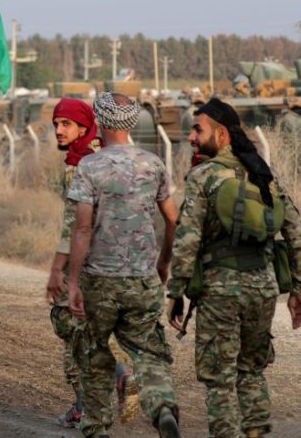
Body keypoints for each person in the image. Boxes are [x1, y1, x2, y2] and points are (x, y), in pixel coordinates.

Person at [167, 98, 301, 438]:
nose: (192, 137)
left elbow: (187, 240)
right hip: (263, 289)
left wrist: (176, 293)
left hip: (219, 292)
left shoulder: (203, 177)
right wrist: (298, 289)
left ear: (222, 134)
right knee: (252, 371)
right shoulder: (262, 175)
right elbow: (296, 233)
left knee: (219, 379)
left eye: (199, 130)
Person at [66, 92, 181, 438]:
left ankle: (97, 428)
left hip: (99, 280)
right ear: (132, 122)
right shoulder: (153, 163)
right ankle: (161, 407)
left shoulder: (90, 166)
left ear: (100, 122)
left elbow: (82, 227)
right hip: (143, 278)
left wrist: (73, 282)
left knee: (94, 357)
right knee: (148, 352)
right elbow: (173, 220)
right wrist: (163, 262)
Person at [46, 98, 139, 428]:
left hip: (87, 260)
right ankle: (96, 393)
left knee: (67, 321)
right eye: (56, 123)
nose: (58, 130)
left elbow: (74, 225)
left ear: (84, 127)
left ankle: (108, 383)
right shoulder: (103, 155)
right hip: (119, 257)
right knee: (90, 326)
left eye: (66, 124)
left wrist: (58, 270)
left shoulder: (82, 163)